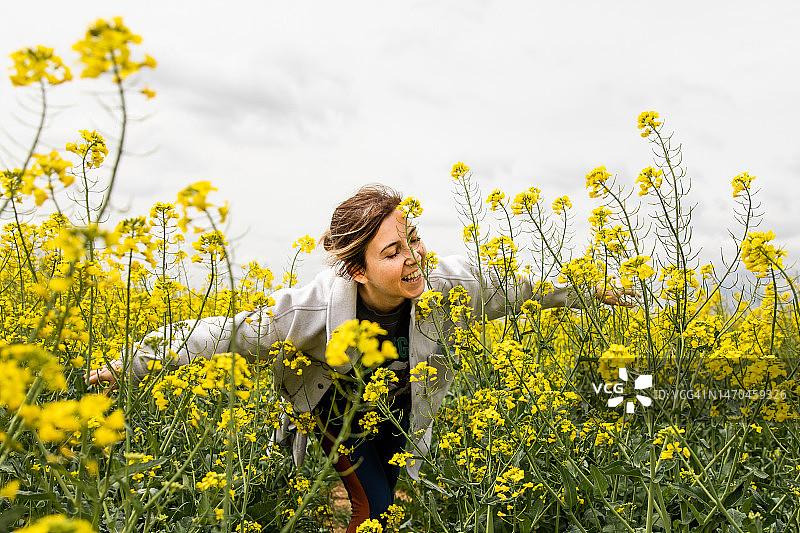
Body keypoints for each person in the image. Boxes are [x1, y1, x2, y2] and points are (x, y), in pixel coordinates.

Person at [89, 184, 633, 532]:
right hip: (338, 416)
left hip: (400, 415)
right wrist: (128, 363)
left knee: (397, 506)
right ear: (356, 270)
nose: (414, 258)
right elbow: (218, 334)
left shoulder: (447, 285)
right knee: (377, 511)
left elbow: (522, 292)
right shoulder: (310, 311)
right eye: (392, 252)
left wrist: (592, 291)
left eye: (413, 240)